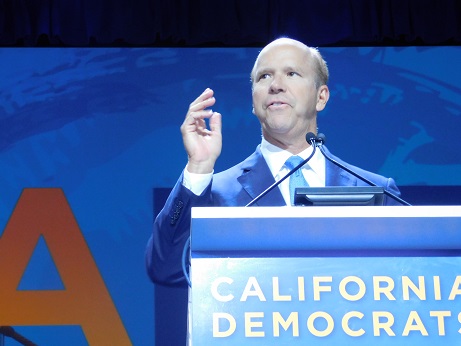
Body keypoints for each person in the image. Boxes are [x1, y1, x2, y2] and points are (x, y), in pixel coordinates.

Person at [145, 37, 402, 286]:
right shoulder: (217, 194)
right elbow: (166, 269)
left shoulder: (374, 190)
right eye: (264, 76)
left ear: (321, 97)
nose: (275, 85)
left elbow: (408, 276)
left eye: (291, 73)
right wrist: (199, 167)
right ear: (254, 102)